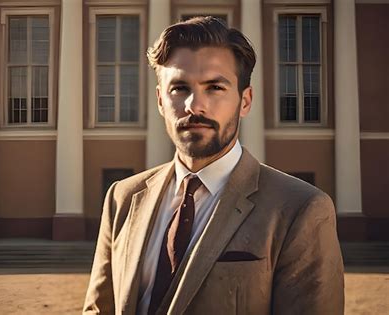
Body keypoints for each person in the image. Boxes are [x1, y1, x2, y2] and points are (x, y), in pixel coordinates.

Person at [83, 16, 344, 315]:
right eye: (179, 88)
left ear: (245, 101)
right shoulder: (123, 197)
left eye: (215, 87)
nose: (195, 105)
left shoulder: (301, 208)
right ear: (159, 100)